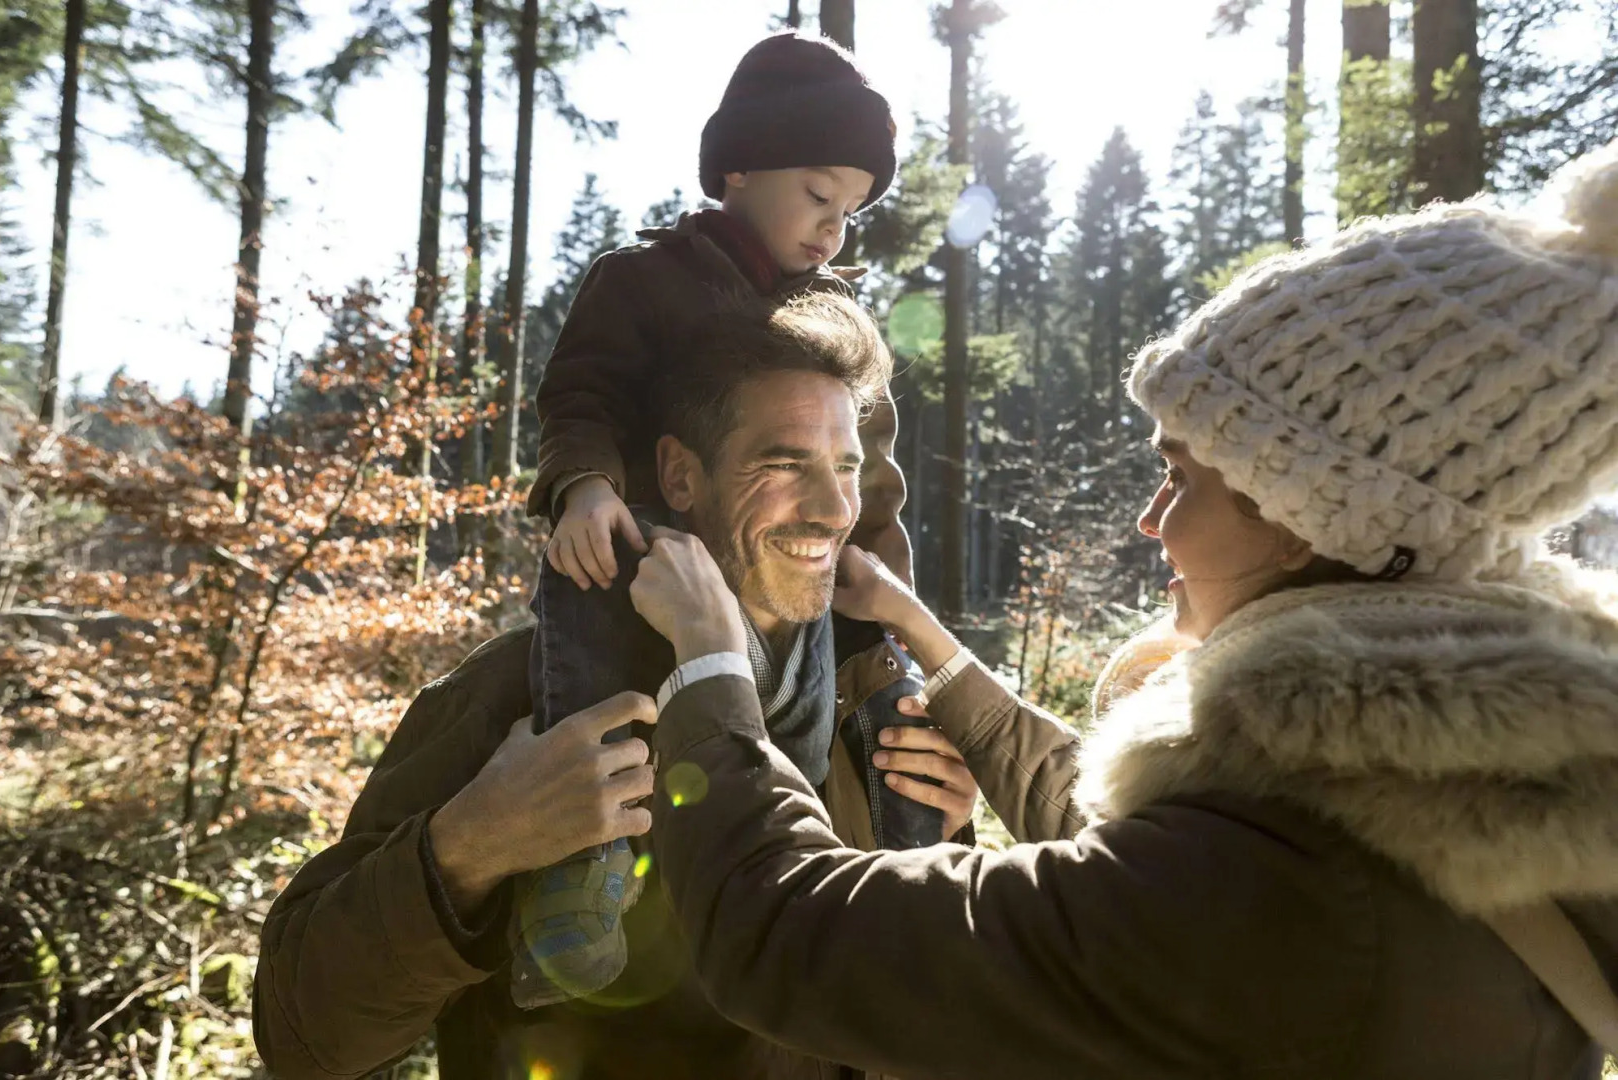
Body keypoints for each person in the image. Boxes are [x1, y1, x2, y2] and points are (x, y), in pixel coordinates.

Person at [631, 139, 1618, 1078]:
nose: (1152, 520)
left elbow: (791, 933)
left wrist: (710, 666)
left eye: (1179, 479)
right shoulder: (1454, 799)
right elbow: (1141, 842)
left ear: (1298, 522)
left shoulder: (1276, 892)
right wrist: (927, 639)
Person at [251, 293, 978, 1080]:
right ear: (679, 474)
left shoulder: (880, 709)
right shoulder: (527, 694)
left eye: (844, 467)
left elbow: (938, 1007)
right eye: (782, 463)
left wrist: (946, 851)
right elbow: (302, 1040)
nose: (834, 507)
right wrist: (467, 847)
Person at [514, 29, 939, 1001]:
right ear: (739, 169)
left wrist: (892, 590)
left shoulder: (836, 322)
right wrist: (584, 486)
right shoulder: (643, 280)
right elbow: (581, 395)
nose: (835, 227)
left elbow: (869, 477)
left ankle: (905, 851)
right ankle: (580, 851)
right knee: (582, 581)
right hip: (653, 544)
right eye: (820, 194)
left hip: (790, 558)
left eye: (855, 212)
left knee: (889, 669)